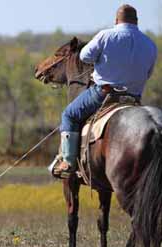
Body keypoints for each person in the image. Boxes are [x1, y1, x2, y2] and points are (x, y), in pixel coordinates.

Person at [54, 4, 157, 178]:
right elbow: (148, 73)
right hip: (133, 99)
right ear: (137, 21)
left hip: (103, 94)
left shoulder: (106, 35)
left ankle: (69, 162)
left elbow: (84, 56)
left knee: (69, 115)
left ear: (116, 20)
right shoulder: (150, 44)